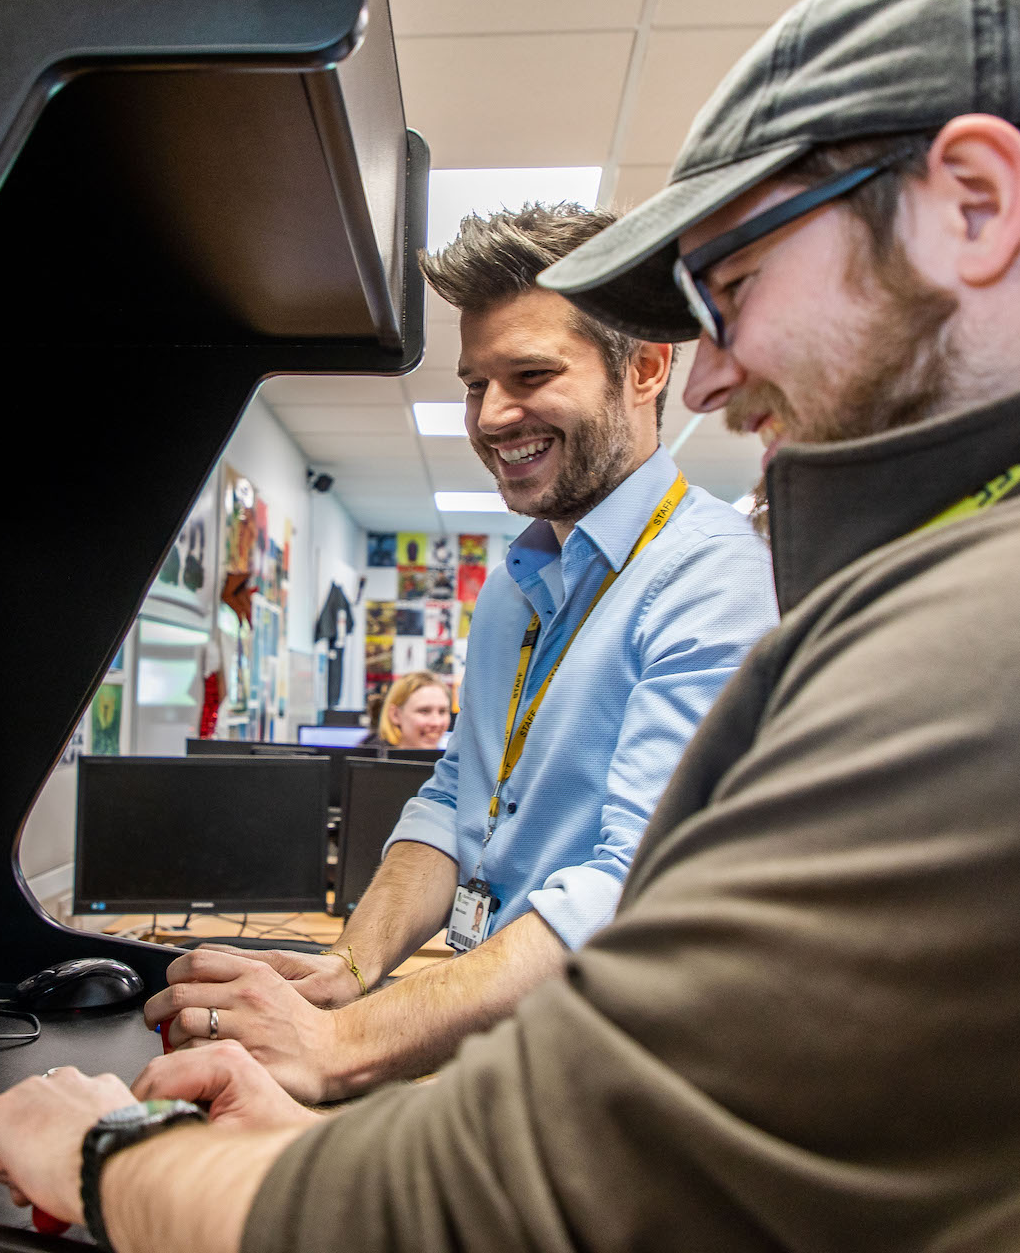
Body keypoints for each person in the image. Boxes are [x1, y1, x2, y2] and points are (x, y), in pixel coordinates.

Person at [0, 0, 1020, 1246]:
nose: (711, 375)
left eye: (732, 287)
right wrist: (352, 1008)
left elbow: (541, 1206)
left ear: (972, 202)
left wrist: (110, 1156)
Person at [140, 202, 778, 1105]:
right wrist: (348, 972)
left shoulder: (714, 580)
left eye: (529, 373)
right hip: (499, 1047)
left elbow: (637, 888)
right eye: (476, 383)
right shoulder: (522, 577)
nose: (492, 416)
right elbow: (454, 802)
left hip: (611, 1079)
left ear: (644, 368)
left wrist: (342, 1044)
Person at [358, 670, 451, 750]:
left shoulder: (450, 765)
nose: (436, 722)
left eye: (442, 711)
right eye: (424, 711)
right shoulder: (364, 766)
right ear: (395, 715)